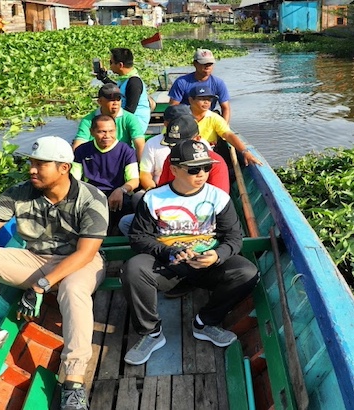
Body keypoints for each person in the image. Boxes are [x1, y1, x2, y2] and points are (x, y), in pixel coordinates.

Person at [0, 136, 108, 410]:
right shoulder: (18, 193)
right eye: (31, 163)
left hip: (79, 263)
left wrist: (41, 285)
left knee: (73, 289)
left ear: (64, 168)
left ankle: (74, 382)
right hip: (35, 259)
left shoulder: (91, 198)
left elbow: (86, 253)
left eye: (41, 165)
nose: (32, 170)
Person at [121, 139, 260, 365]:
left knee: (247, 272)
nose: (202, 174)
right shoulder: (153, 198)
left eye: (207, 167)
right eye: (194, 169)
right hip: (168, 264)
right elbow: (138, 237)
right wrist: (168, 252)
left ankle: (205, 322)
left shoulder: (218, 197)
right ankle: (151, 333)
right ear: (174, 170)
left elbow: (234, 237)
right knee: (133, 269)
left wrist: (217, 255)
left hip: (207, 265)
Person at [117, 114, 229, 236]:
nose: (176, 148)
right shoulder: (172, 159)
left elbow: (218, 202)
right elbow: (163, 189)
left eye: (205, 169)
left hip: (201, 217)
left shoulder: (216, 162)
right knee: (126, 221)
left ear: (197, 139)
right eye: (173, 144)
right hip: (170, 210)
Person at [71, 115, 140, 233]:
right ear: (92, 132)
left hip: (118, 194)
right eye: (102, 132)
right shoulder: (82, 150)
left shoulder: (126, 151)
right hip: (91, 194)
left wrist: (121, 190)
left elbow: (134, 180)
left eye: (111, 131)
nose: (107, 135)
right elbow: (74, 179)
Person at [186, 85, 261, 167]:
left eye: (209, 99)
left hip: (208, 154)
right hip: (186, 153)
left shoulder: (214, 118)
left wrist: (245, 152)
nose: (206, 102)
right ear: (191, 100)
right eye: (202, 99)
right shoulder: (182, 117)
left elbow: (228, 134)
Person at [73, 83, 146, 161]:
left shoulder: (130, 118)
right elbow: (79, 144)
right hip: (95, 158)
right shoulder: (88, 120)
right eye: (111, 99)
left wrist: (141, 166)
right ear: (100, 101)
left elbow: (140, 144)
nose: (115, 102)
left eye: (118, 98)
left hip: (122, 159)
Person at [167, 49, 232, 123]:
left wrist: (225, 127)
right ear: (195, 64)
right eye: (204, 63)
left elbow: (225, 108)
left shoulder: (218, 83)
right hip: (186, 120)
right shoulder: (181, 82)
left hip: (208, 119)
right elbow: (173, 108)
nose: (207, 66)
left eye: (210, 64)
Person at [96, 48, 152, 131]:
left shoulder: (134, 82)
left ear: (120, 65)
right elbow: (119, 89)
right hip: (124, 119)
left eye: (111, 62)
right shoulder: (125, 78)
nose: (110, 66)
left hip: (134, 125)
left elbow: (130, 111)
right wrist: (104, 78)